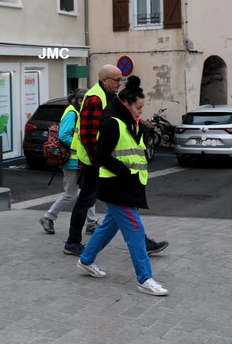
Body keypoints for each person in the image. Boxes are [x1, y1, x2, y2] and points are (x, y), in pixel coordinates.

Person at [76, 76, 169, 296]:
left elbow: (129, 148)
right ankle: (145, 279)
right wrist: (126, 173)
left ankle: (86, 260)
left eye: (142, 108)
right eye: (138, 108)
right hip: (117, 185)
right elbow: (101, 155)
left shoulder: (127, 120)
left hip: (127, 184)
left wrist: (143, 130)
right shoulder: (112, 122)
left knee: (109, 225)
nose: (140, 112)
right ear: (126, 104)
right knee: (136, 232)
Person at [63, 65, 168, 257]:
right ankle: (73, 242)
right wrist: (98, 161)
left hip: (102, 160)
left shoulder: (107, 95)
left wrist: (142, 125)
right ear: (105, 80)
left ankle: (77, 244)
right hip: (96, 161)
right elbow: (87, 134)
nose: (120, 83)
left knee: (115, 204)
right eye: (116, 80)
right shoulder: (95, 98)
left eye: (121, 79)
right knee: (91, 200)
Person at [39, 88, 98, 235]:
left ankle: (91, 223)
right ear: (80, 101)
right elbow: (64, 135)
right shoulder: (72, 113)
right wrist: (83, 147)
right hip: (72, 161)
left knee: (88, 192)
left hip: (79, 160)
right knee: (71, 193)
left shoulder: (77, 112)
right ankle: (48, 217)